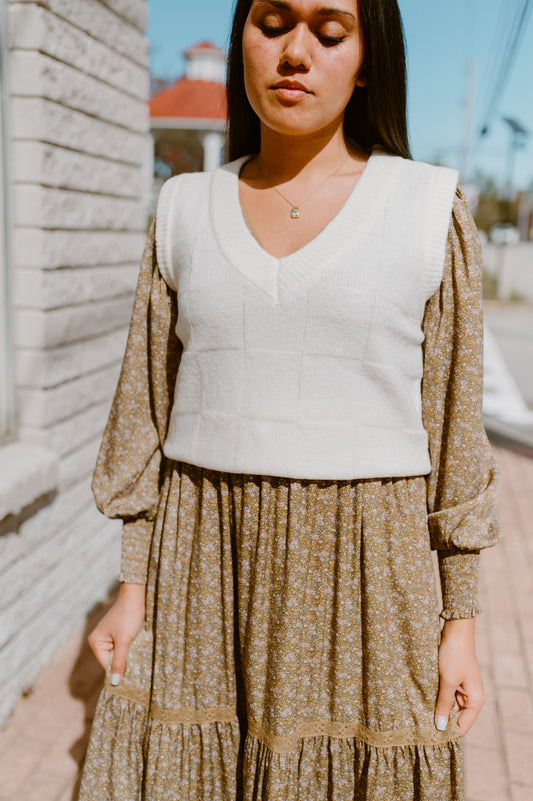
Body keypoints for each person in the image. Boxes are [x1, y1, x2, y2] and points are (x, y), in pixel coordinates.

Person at [77, 0, 501, 798]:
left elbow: (455, 432)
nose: (295, 52)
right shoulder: (182, 211)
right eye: (272, 24)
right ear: (241, 39)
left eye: (329, 32)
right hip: (204, 564)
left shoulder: (423, 210)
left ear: (368, 57)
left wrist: (460, 622)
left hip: (369, 576)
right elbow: (145, 410)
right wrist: (131, 590)